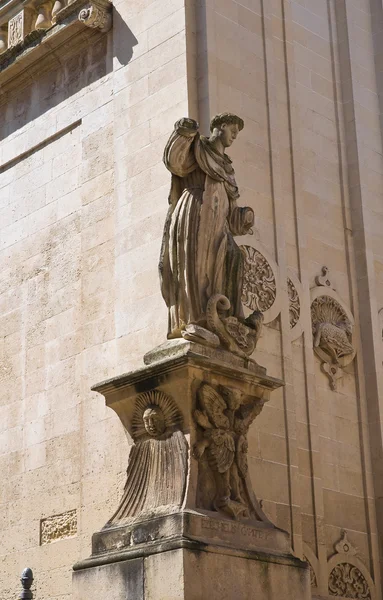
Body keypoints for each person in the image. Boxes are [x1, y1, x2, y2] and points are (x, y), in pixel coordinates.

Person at [159, 113, 254, 340]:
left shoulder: (226, 167)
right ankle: (191, 320)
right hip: (196, 212)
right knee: (194, 264)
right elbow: (175, 163)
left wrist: (244, 217)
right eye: (232, 130)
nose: (234, 136)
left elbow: (233, 216)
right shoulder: (199, 147)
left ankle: (223, 318)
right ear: (220, 127)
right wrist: (184, 133)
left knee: (234, 258)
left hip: (219, 223)